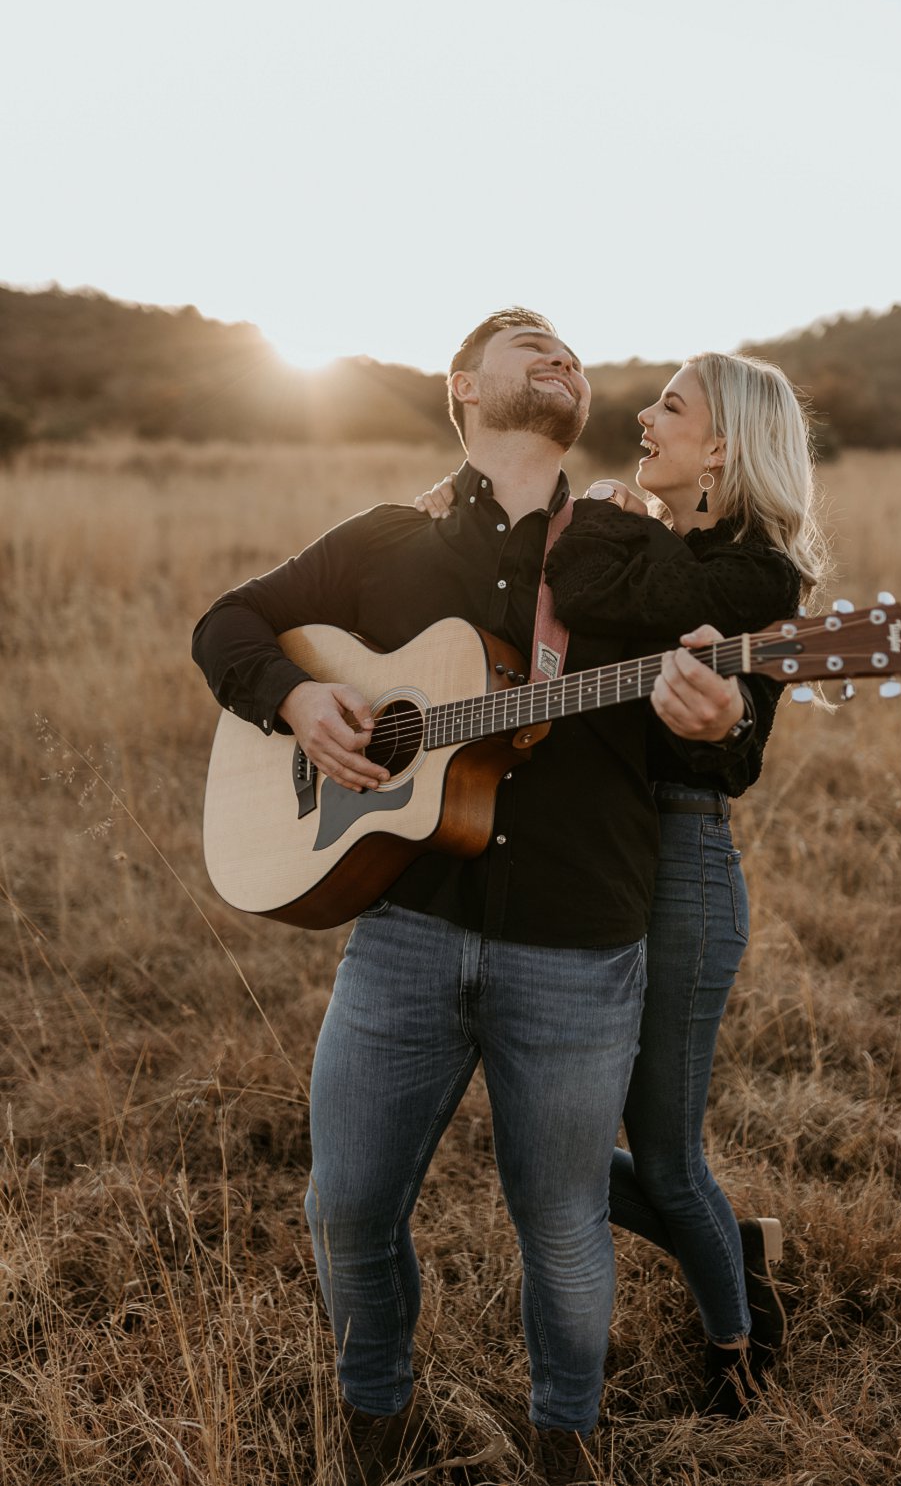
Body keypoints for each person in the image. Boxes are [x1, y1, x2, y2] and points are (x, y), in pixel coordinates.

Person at [191, 310, 752, 1486]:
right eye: (525, 337)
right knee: (344, 1209)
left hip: (578, 940)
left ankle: (565, 1442)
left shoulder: (626, 543)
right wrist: (297, 700)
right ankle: (374, 1421)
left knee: (560, 1229)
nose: (560, 351)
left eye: (569, 347)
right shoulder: (390, 537)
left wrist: (726, 722)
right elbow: (227, 624)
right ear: (463, 384)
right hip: (402, 928)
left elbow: (718, 755)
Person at [415, 349, 827, 1417]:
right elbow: (572, 597)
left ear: (724, 446)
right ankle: (729, 1243)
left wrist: (599, 508)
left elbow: (599, 584)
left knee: (660, 1149)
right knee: (548, 1145)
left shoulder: (756, 579)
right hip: (590, 854)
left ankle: (737, 1333)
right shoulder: (663, 548)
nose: (645, 415)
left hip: (680, 862)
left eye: (672, 406)